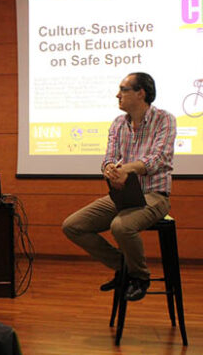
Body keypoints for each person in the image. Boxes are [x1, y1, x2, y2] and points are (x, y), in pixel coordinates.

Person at [62, 72, 176, 301]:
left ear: (140, 93)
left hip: (154, 194)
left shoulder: (164, 119)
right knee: (72, 225)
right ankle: (124, 266)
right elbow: (109, 157)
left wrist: (128, 169)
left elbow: (159, 159)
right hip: (122, 194)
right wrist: (110, 169)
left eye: (123, 90)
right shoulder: (118, 123)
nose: (117, 95)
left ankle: (140, 277)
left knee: (121, 227)